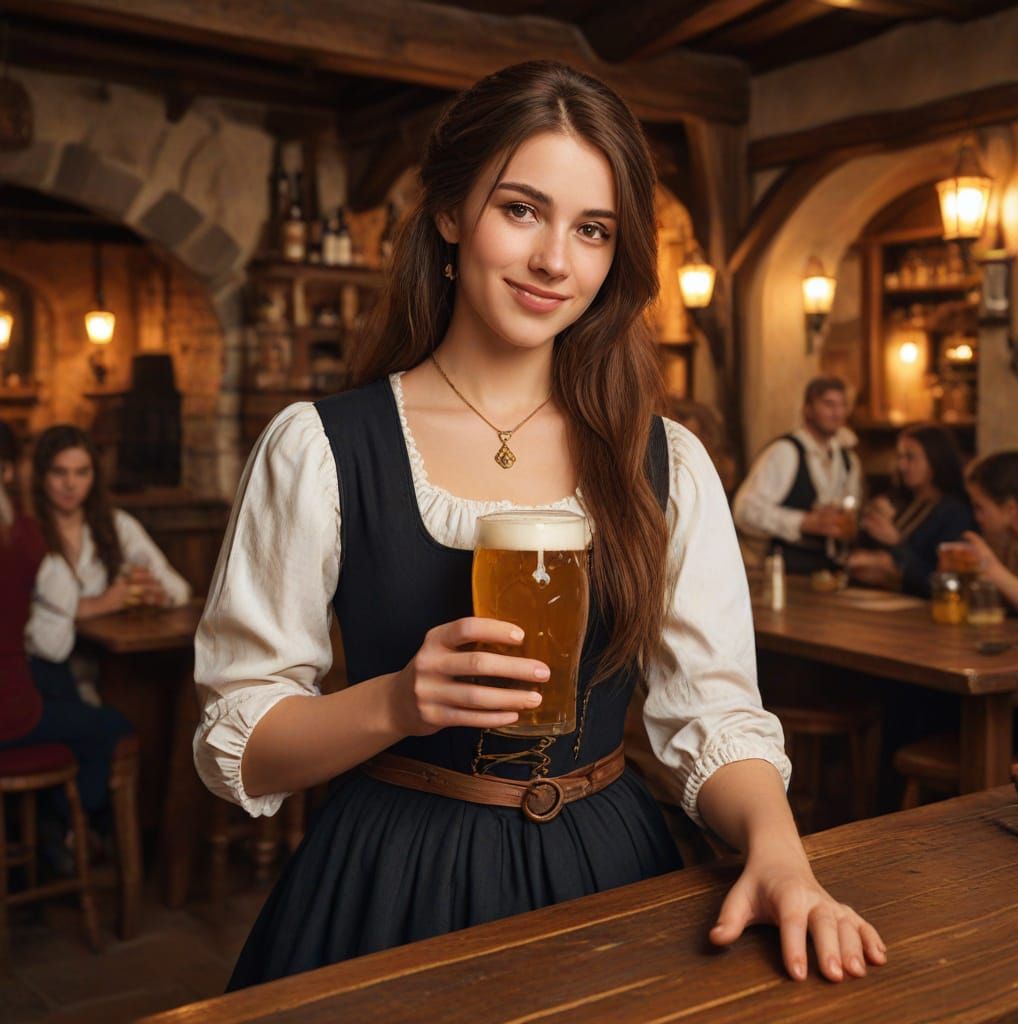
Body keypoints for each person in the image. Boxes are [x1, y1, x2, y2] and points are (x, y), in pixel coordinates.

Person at [194, 61, 885, 989]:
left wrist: (781, 855)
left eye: (592, 229)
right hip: (393, 873)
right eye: (521, 209)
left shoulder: (666, 460)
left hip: (606, 862)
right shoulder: (321, 446)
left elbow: (712, 715)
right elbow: (238, 732)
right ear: (449, 211)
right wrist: (397, 702)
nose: (556, 259)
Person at [0, 421, 132, 867]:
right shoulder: (23, 537)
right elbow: (59, 631)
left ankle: (51, 839)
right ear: (10, 473)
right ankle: (70, 834)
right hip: (10, 711)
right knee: (112, 728)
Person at [25, 424, 191, 698]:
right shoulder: (26, 531)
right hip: (41, 668)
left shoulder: (116, 525)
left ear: (94, 475)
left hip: (105, 665)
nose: (71, 484)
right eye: (59, 472)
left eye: (81, 472)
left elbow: (179, 589)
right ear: (41, 475)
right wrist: (105, 602)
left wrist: (154, 593)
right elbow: (25, 619)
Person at [732, 377, 861, 574]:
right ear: (808, 409)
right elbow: (745, 511)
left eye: (843, 405)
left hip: (832, 571)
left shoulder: (847, 459)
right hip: (789, 571)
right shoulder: (785, 452)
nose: (837, 413)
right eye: (829, 404)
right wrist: (802, 522)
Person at [848, 424, 974, 597]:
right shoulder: (901, 502)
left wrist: (895, 543)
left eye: (910, 457)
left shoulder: (954, 512)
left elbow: (941, 581)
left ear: (935, 459)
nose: (902, 466)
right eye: (899, 457)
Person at [961, 450, 1018, 615]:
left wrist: (991, 568)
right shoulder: (1006, 543)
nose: (976, 517)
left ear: (1010, 509)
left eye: (979, 507)